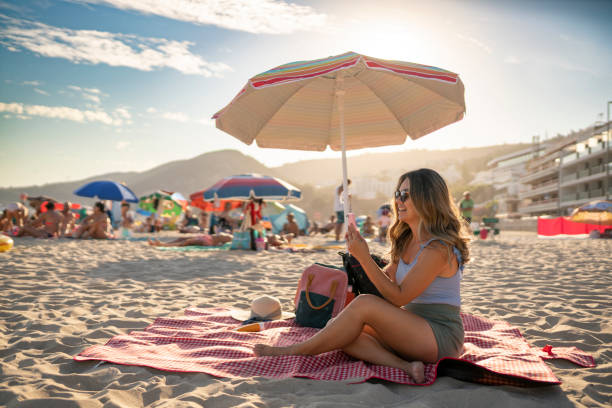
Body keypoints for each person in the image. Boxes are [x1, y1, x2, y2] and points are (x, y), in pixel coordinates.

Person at [254, 168, 470, 383]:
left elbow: (398, 297)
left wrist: (365, 258)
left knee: (361, 308)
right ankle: (405, 366)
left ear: (427, 198)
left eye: (405, 195)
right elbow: (383, 285)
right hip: (413, 329)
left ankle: (297, 350)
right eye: (397, 194)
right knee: (338, 330)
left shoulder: (438, 249)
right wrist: (355, 265)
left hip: (441, 336)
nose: (398, 201)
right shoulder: (407, 241)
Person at [148, 232, 233, 247]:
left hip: (207, 241)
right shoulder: (228, 236)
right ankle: (163, 243)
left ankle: (163, 244)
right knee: (181, 238)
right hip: (205, 237)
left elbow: (220, 244)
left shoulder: (228, 238)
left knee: (187, 242)